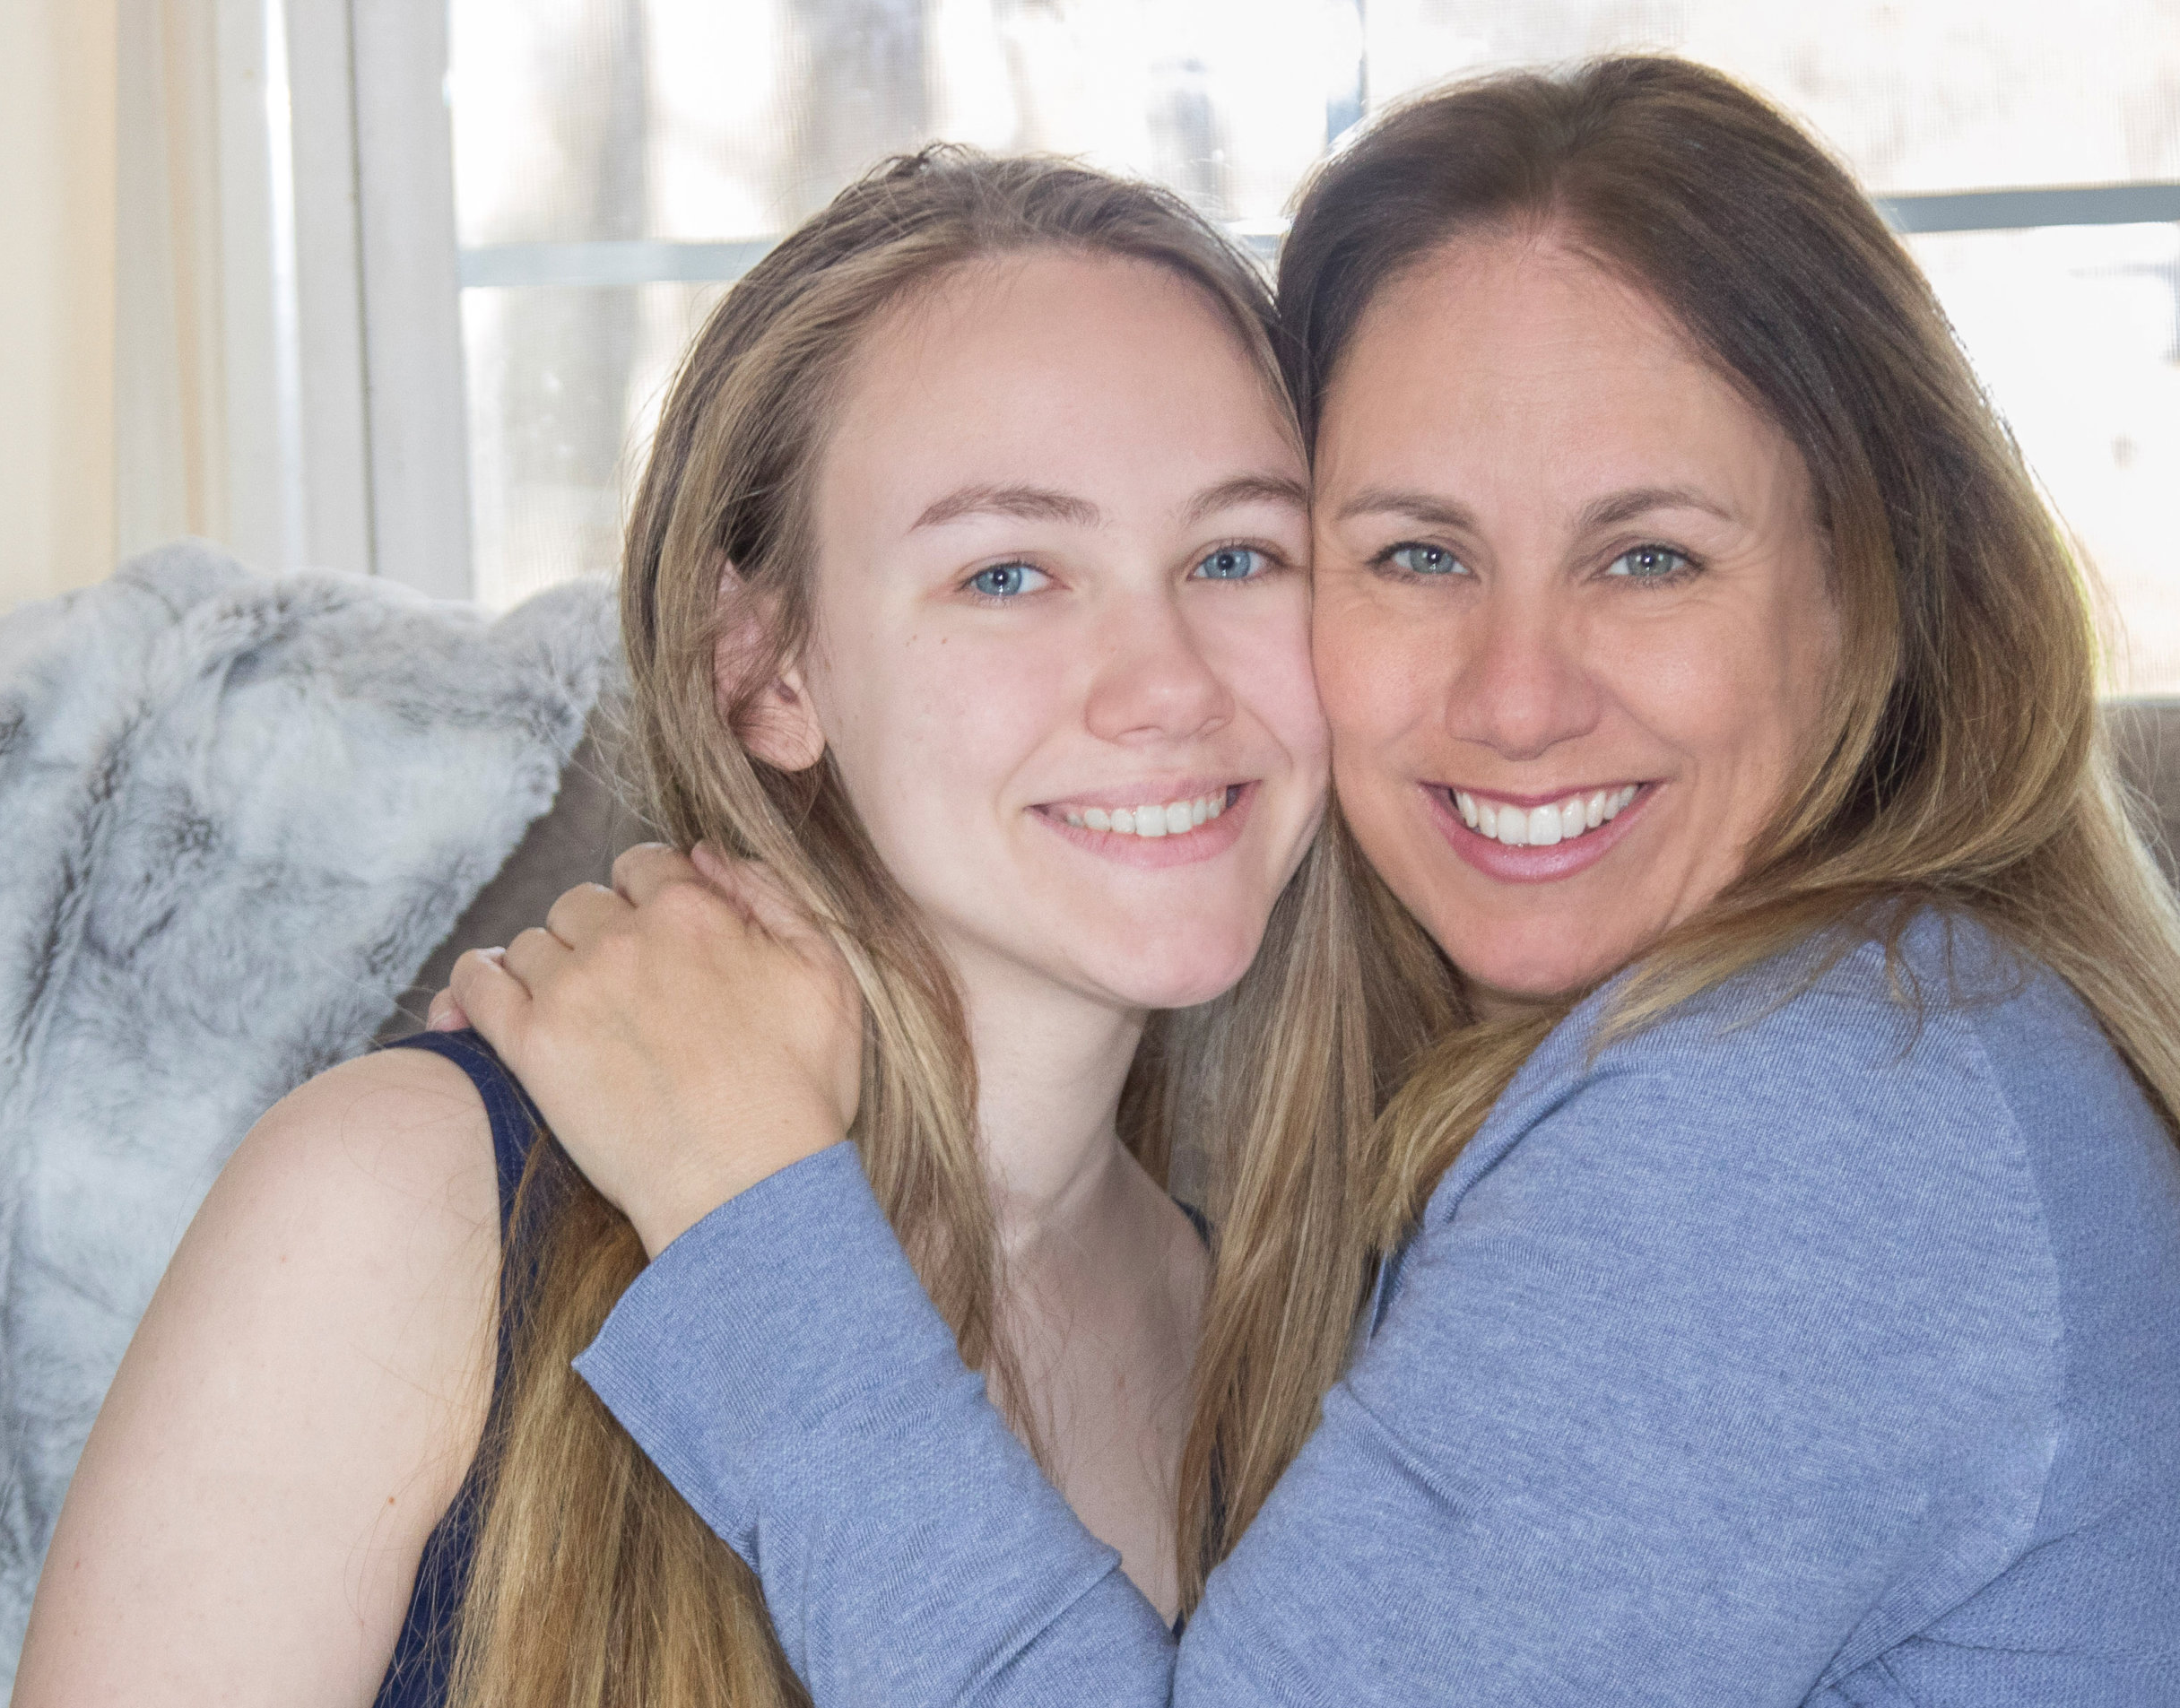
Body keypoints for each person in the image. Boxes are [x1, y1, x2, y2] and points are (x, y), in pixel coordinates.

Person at [439, 57, 2180, 1705]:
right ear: (761, 663)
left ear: (1871, 595)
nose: (1517, 697)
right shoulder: (1840, 1048)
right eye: (1416, 551)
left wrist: (750, 1205)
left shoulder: (1804, 1121)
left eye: (1649, 556)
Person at [9, 149, 1373, 1708]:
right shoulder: (397, 1205)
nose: (1170, 683)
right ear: (765, 671)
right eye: (1006, 573)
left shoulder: (1302, 1351)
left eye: (1236, 555)